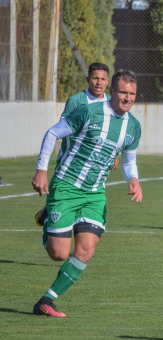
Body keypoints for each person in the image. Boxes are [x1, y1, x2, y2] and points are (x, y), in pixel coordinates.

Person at [30, 69, 143, 317]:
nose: (128, 98)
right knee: (58, 254)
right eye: (123, 92)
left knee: (86, 250)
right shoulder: (89, 112)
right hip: (67, 186)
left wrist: (133, 179)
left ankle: (46, 301)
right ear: (112, 92)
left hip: (95, 194)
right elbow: (52, 133)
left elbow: (128, 162)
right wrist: (41, 170)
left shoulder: (133, 126)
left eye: (132, 93)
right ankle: (49, 215)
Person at [34, 62, 119, 226]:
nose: (99, 82)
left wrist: (115, 154)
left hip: (95, 165)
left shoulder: (111, 103)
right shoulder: (76, 101)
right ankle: (52, 213)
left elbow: (113, 132)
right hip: (70, 162)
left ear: (108, 82)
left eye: (103, 79)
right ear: (88, 79)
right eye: (95, 78)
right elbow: (60, 131)